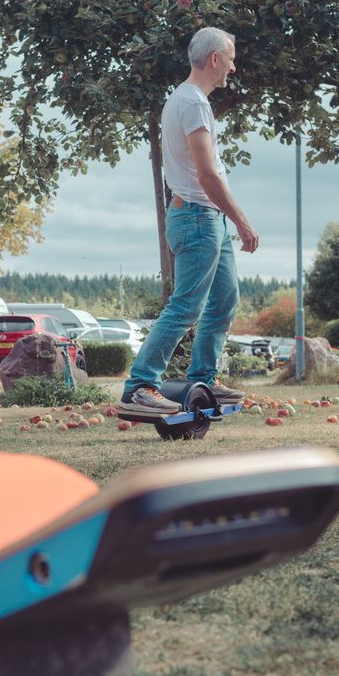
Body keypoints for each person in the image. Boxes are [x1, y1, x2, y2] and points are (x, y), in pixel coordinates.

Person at [119, 26, 260, 417]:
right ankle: (140, 386)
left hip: (206, 218)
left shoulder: (184, 99)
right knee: (185, 308)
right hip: (198, 216)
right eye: (230, 58)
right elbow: (207, 175)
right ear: (215, 59)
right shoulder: (193, 103)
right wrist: (243, 222)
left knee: (224, 302)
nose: (233, 66)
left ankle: (205, 376)